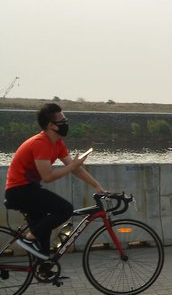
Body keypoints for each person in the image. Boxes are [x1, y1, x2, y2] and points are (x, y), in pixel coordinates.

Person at [4, 103, 106, 260]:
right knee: (64, 209)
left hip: (29, 189)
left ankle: (44, 268)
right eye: (62, 120)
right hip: (20, 191)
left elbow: (76, 169)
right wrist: (73, 165)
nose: (65, 122)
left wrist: (97, 185)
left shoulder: (57, 144)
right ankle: (29, 238)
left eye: (65, 118)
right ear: (51, 125)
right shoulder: (41, 143)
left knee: (43, 238)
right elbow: (48, 177)